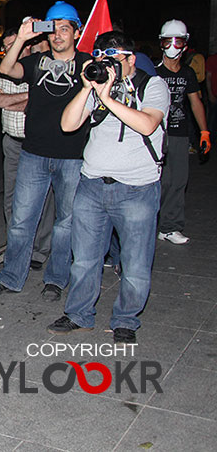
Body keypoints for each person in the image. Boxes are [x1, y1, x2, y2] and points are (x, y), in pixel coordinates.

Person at [49, 31, 169, 345]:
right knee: (85, 259)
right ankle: (78, 314)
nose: (107, 67)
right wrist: (88, 88)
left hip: (136, 190)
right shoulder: (98, 87)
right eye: (102, 60)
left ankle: (126, 320)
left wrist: (107, 99)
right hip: (91, 186)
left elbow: (147, 124)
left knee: (135, 262)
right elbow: (68, 124)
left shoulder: (152, 85)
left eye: (113, 60)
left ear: (130, 58)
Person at [0, 2, 90, 302]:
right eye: (53, 28)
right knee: (21, 220)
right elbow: (6, 69)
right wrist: (22, 37)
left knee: (65, 223)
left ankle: (56, 279)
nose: (58, 35)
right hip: (33, 153)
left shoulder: (87, 64)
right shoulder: (37, 61)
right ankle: (11, 277)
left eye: (64, 28)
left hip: (72, 156)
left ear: (76, 32)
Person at [0, 27, 56, 270]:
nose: (11, 49)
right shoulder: (6, 73)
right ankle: (17, 247)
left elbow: (44, 101)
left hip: (36, 145)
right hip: (12, 142)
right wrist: (28, 98)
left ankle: (40, 250)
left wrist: (20, 100)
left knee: (43, 200)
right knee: (11, 198)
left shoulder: (41, 68)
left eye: (15, 44)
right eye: (7, 46)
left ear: (28, 44)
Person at [155, 20, 209, 245]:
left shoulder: (187, 73)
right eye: (168, 41)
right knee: (159, 183)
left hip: (179, 132)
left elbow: (195, 102)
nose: (173, 46)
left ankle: (169, 227)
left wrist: (204, 131)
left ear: (185, 44)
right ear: (161, 43)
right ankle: (148, 224)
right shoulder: (153, 71)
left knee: (178, 181)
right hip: (156, 133)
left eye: (178, 41)